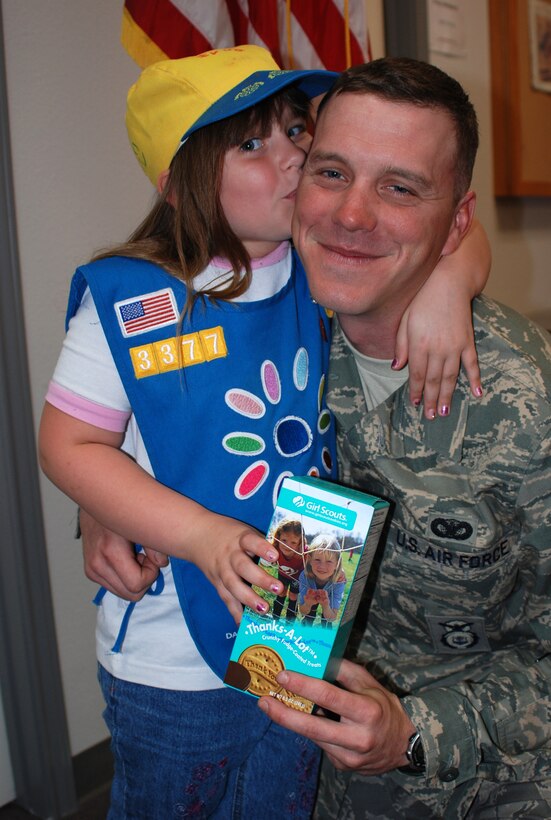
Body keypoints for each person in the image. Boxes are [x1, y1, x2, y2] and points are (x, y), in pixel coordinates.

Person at [39, 45, 488, 817]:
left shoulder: (317, 265)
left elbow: (455, 229)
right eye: (251, 143)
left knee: (280, 799)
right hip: (172, 661)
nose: (293, 156)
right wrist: (196, 535)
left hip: (300, 626)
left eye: (294, 130)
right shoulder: (133, 298)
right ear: (179, 182)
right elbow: (67, 444)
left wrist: (449, 282)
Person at [256, 58, 551, 819]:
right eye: (332, 173)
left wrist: (414, 733)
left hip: (477, 778)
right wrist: (111, 507)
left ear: (457, 221)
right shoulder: (258, 332)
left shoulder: (528, 405)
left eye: (399, 188)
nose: (351, 215)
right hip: (289, 761)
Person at [298, 534, 346, 627]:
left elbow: (332, 617)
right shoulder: (305, 576)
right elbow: (302, 611)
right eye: (317, 559)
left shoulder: (339, 582)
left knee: (326, 622)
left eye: (329, 561)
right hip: (310, 601)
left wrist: (326, 606)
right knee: (308, 616)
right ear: (310, 560)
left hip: (328, 607)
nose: (322, 566)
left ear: (337, 564)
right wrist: (308, 604)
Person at [270, 518, 306, 622]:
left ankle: (289, 622)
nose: (287, 545)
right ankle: (275, 618)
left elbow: (315, 558)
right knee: (281, 592)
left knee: (293, 596)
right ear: (278, 537)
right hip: (283, 574)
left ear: (300, 543)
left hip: (297, 578)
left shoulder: (304, 553)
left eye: (293, 542)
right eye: (284, 540)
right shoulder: (275, 549)